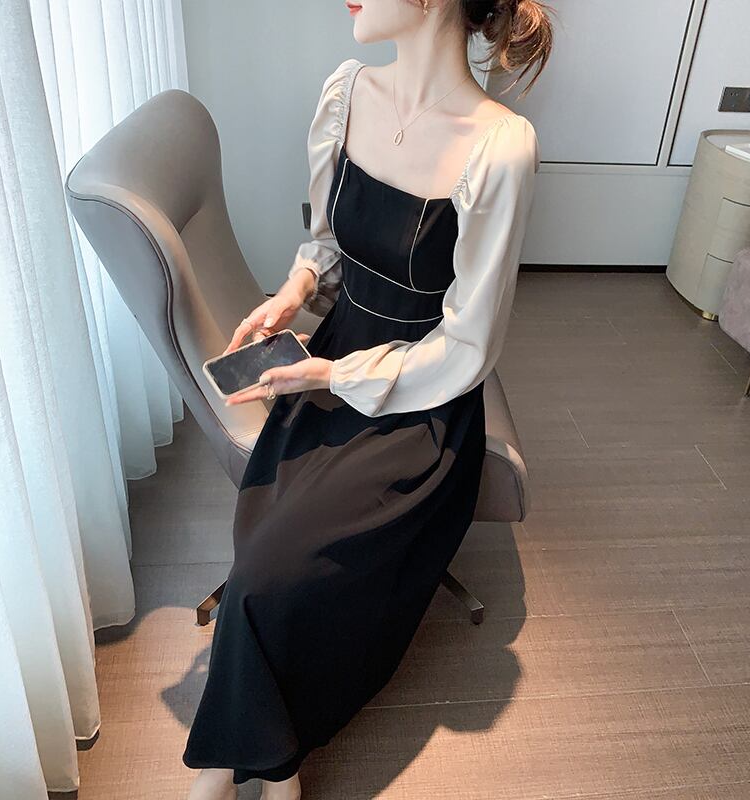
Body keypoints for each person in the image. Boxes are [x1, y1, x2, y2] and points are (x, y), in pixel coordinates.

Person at [183, 1, 552, 798]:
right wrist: (296, 290)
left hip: (423, 404)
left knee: (268, 576)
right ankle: (272, 765)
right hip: (334, 357)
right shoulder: (346, 93)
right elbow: (329, 243)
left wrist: (332, 377)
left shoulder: (500, 146)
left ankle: (228, 772)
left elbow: (470, 345)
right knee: (264, 560)